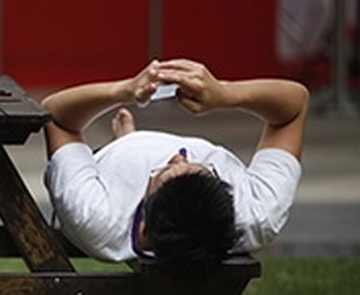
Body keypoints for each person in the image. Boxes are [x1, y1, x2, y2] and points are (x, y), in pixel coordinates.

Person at [42, 58, 309, 275]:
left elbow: (56, 117)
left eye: (162, 173)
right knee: (152, 164)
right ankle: (132, 142)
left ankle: (127, 143)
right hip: (137, 167)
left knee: (123, 159)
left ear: (144, 226)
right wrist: (226, 94)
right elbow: (294, 107)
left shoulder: (97, 217)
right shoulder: (255, 215)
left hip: (109, 166)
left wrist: (123, 91)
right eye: (205, 169)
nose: (178, 157)